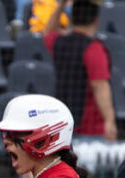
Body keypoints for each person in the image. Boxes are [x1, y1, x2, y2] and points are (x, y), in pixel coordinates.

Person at [43, 0, 116, 142]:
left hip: (63, 125)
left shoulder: (59, 42)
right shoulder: (94, 48)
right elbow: (99, 85)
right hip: (90, 129)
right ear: (96, 20)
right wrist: (109, 121)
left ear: (71, 18)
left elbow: (48, 31)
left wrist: (62, 4)